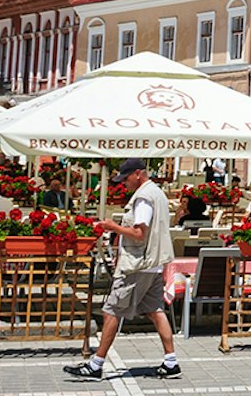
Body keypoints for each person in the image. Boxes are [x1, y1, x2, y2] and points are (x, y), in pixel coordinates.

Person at [66, 159, 180, 382]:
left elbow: (139, 233)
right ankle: (171, 362)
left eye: (126, 178)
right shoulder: (157, 192)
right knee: (155, 310)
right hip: (154, 263)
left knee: (112, 310)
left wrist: (112, 227)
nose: (124, 184)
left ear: (138, 174)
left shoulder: (144, 198)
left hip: (138, 264)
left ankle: (96, 364)